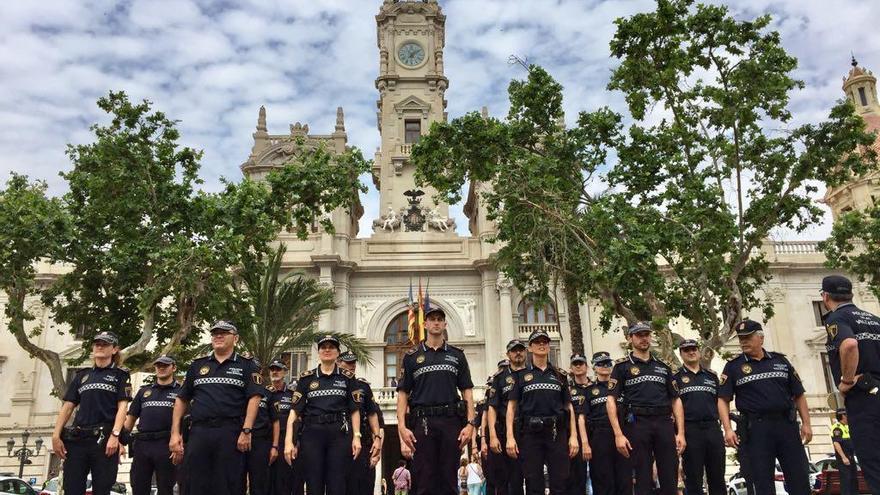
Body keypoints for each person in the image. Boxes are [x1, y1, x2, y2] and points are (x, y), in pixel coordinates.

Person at [169, 320, 266, 495]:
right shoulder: (197, 365)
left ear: (235, 338)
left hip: (230, 432)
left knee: (228, 483)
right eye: (215, 333)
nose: (218, 336)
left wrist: (246, 431)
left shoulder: (246, 365)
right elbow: (182, 399)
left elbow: (255, 397)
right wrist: (175, 434)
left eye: (223, 332)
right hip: (199, 432)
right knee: (194, 482)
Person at [717, 320, 812, 495]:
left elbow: (798, 393)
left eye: (748, 337)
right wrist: (728, 429)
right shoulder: (733, 366)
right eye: (741, 338)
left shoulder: (781, 361)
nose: (743, 342)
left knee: (799, 478)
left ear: (760, 338)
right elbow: (723, 399)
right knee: (762, 481)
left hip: (786, 425)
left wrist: (806, 423)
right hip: (756, 429)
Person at [397, 306, 476, 495]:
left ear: (445, 324)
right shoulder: (412, 357)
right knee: (424, 478)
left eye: (440, 319)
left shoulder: (457, 355)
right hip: (423, 423)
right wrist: (401, 426)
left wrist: (470, 424)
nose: (436, 322)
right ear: (425, 324)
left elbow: (467, 391)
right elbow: (403, 394)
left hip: (451, 422)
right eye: (432, 319)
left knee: (449, 477)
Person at [606, 322, 685, 495]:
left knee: (669, 474)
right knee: (642, 477)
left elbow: (676, 400)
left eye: (646, 334)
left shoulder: (664, 367)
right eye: (639, 335)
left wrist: (680, 433)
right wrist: (618, 434)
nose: (644, 338)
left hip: (664, 423)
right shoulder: (621, 367)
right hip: (637, 423)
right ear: (630, 338)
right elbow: (610, 400)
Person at [51, 331, 132, 495]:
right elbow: (68, 406)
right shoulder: (82, 376)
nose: (100, 347)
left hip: (104, 440)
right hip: (78, 439)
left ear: (115, 349)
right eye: (97, 344)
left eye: (105, 344)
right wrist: (56, 435)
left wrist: (115, 436)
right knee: (72, 488)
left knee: (102, 488)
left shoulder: (120, 375)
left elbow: (123, 407)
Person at [822, 274, 880, 494]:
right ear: (851, 294)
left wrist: (846, 380)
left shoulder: (837, 319)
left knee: (873, 463)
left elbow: (848, 345)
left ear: (825, 297)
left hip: (865, 400)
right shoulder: (873, 319)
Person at [284, 334, 362, 495]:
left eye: (331, 347)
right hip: (312, 434)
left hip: (339, 435)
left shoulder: (348, 378)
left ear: (338, 352)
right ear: (318, 352)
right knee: (314, 483)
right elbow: (294, 411)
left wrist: (356, 436)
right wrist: (288, 442)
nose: (327, 350)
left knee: (337, 483)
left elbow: (354, 410)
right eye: (323, 347)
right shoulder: (306, 379)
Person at [505, 329, 579, 495]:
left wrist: (573, 436)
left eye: (544, 342)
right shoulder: (521, 376)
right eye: (537, 342)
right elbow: (511, 407)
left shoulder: (560, 376)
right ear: (529, 348)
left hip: (556, 433)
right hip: (530, 434)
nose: (541, 344)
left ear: (548, 346)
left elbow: (569, 407)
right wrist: (510, 437)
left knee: (560, 482)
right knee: (533, 482)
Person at [673, 339, 725, 495]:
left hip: (712, 429)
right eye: (686, 350)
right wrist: (679, 433)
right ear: (681, 354)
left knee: (717, 476)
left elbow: (720, 402)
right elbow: (674, 407)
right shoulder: (675, 378)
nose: (691, 352)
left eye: (694, 349)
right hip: (690, 430)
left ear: (699, 351)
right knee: (694, 478)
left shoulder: (711, 376)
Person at [124, 355, 181, 495]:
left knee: (166, 488)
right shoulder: (144, 391)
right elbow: (131, 418)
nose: (161, 368)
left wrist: (181, 445)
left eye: (165, 365)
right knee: (138, 486)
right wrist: (120, 440)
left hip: (166, 445)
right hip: (142, 444)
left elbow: (185, 421)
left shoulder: (181, 391)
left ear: (173, 367)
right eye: (158, 365)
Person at [581, 352, 631, 495]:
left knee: (624, 479)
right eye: (600, 364)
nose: (605, 366)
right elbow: (582, 418)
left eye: (608, 363)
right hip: (600, 436)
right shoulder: (588, 391)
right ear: (594, 367)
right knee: (603, 479)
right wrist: (585, 443)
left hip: (623, 434)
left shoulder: (621, 388)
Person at [339, 350, 384, 495]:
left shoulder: (363, 387)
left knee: (364, 486)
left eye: (353, 363)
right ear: (339, 363)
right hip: (339, 443)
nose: (351, 366)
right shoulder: (332, 387)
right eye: (348, 362)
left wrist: (377, 442)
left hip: (363, 445)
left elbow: (374, 416)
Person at [487, 342, 527, 495]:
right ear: (508, 354)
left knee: (532, 476)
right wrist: (492, 436)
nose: (518, 353)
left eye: (520, 350)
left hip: (529, 430)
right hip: (506, 431)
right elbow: (492, 407)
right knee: (509, 477)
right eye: (514, 351)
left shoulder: (532, 374)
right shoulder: (500, 378)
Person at [268, 359, 304, 495]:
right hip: (269, 442)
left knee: (292, 481)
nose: (275, 372)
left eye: (278, 369)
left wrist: (296, 443)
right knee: (271, 481)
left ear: (285, 372)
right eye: (272, 369)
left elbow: (298, 420)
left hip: (288, 442)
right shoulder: (264, 393)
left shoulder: (292, 394)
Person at [244, 359, 276, 495]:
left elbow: (275, 421)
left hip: (260, 440)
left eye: (255, 369)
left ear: (261, 372)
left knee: (259, 482)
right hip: (239, 438)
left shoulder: (268, 392)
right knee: (235, 480)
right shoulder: (238, 391)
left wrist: (274, 446)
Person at [568, 354, 592, 495]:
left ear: (586, 367)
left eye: (581, 363)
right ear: (571, 368)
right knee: (577, 477)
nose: (578, 366)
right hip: (575, 435)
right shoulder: (568, 390)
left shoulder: (596, 386)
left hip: (595, 432)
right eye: (575, 364)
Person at [831, 410, 858, 495]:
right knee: (847, 480)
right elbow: (836, 443)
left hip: (850, 456)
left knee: (853, 479)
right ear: (843, 416)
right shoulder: (837, 427)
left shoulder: (846, 426)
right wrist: (843, 457)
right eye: (847, 415)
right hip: (844, 458)